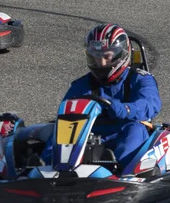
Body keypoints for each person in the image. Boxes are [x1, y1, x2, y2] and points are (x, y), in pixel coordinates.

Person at [61, 23, 162, 169]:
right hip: (91, 134)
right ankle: (46, 171)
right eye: (96, 56)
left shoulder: (140, 79)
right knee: (60, 131)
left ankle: (123, 174)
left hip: (124, 130)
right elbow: (67, 111)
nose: (101, 62)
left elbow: (150, 104)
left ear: (121, 54)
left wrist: (125, 109)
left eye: (107, 56)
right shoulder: (83, 84)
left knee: (135, 130)